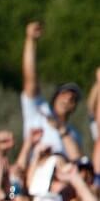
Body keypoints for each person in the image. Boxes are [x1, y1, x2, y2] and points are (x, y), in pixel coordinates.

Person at [21, 22, 81, 159]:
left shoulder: (74, 134)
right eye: (64, 94)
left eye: (73, 99)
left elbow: (79, 164)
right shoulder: (38, 112)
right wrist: (30, 41)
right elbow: (30, 81)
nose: (68, 100)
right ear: (55, 97)